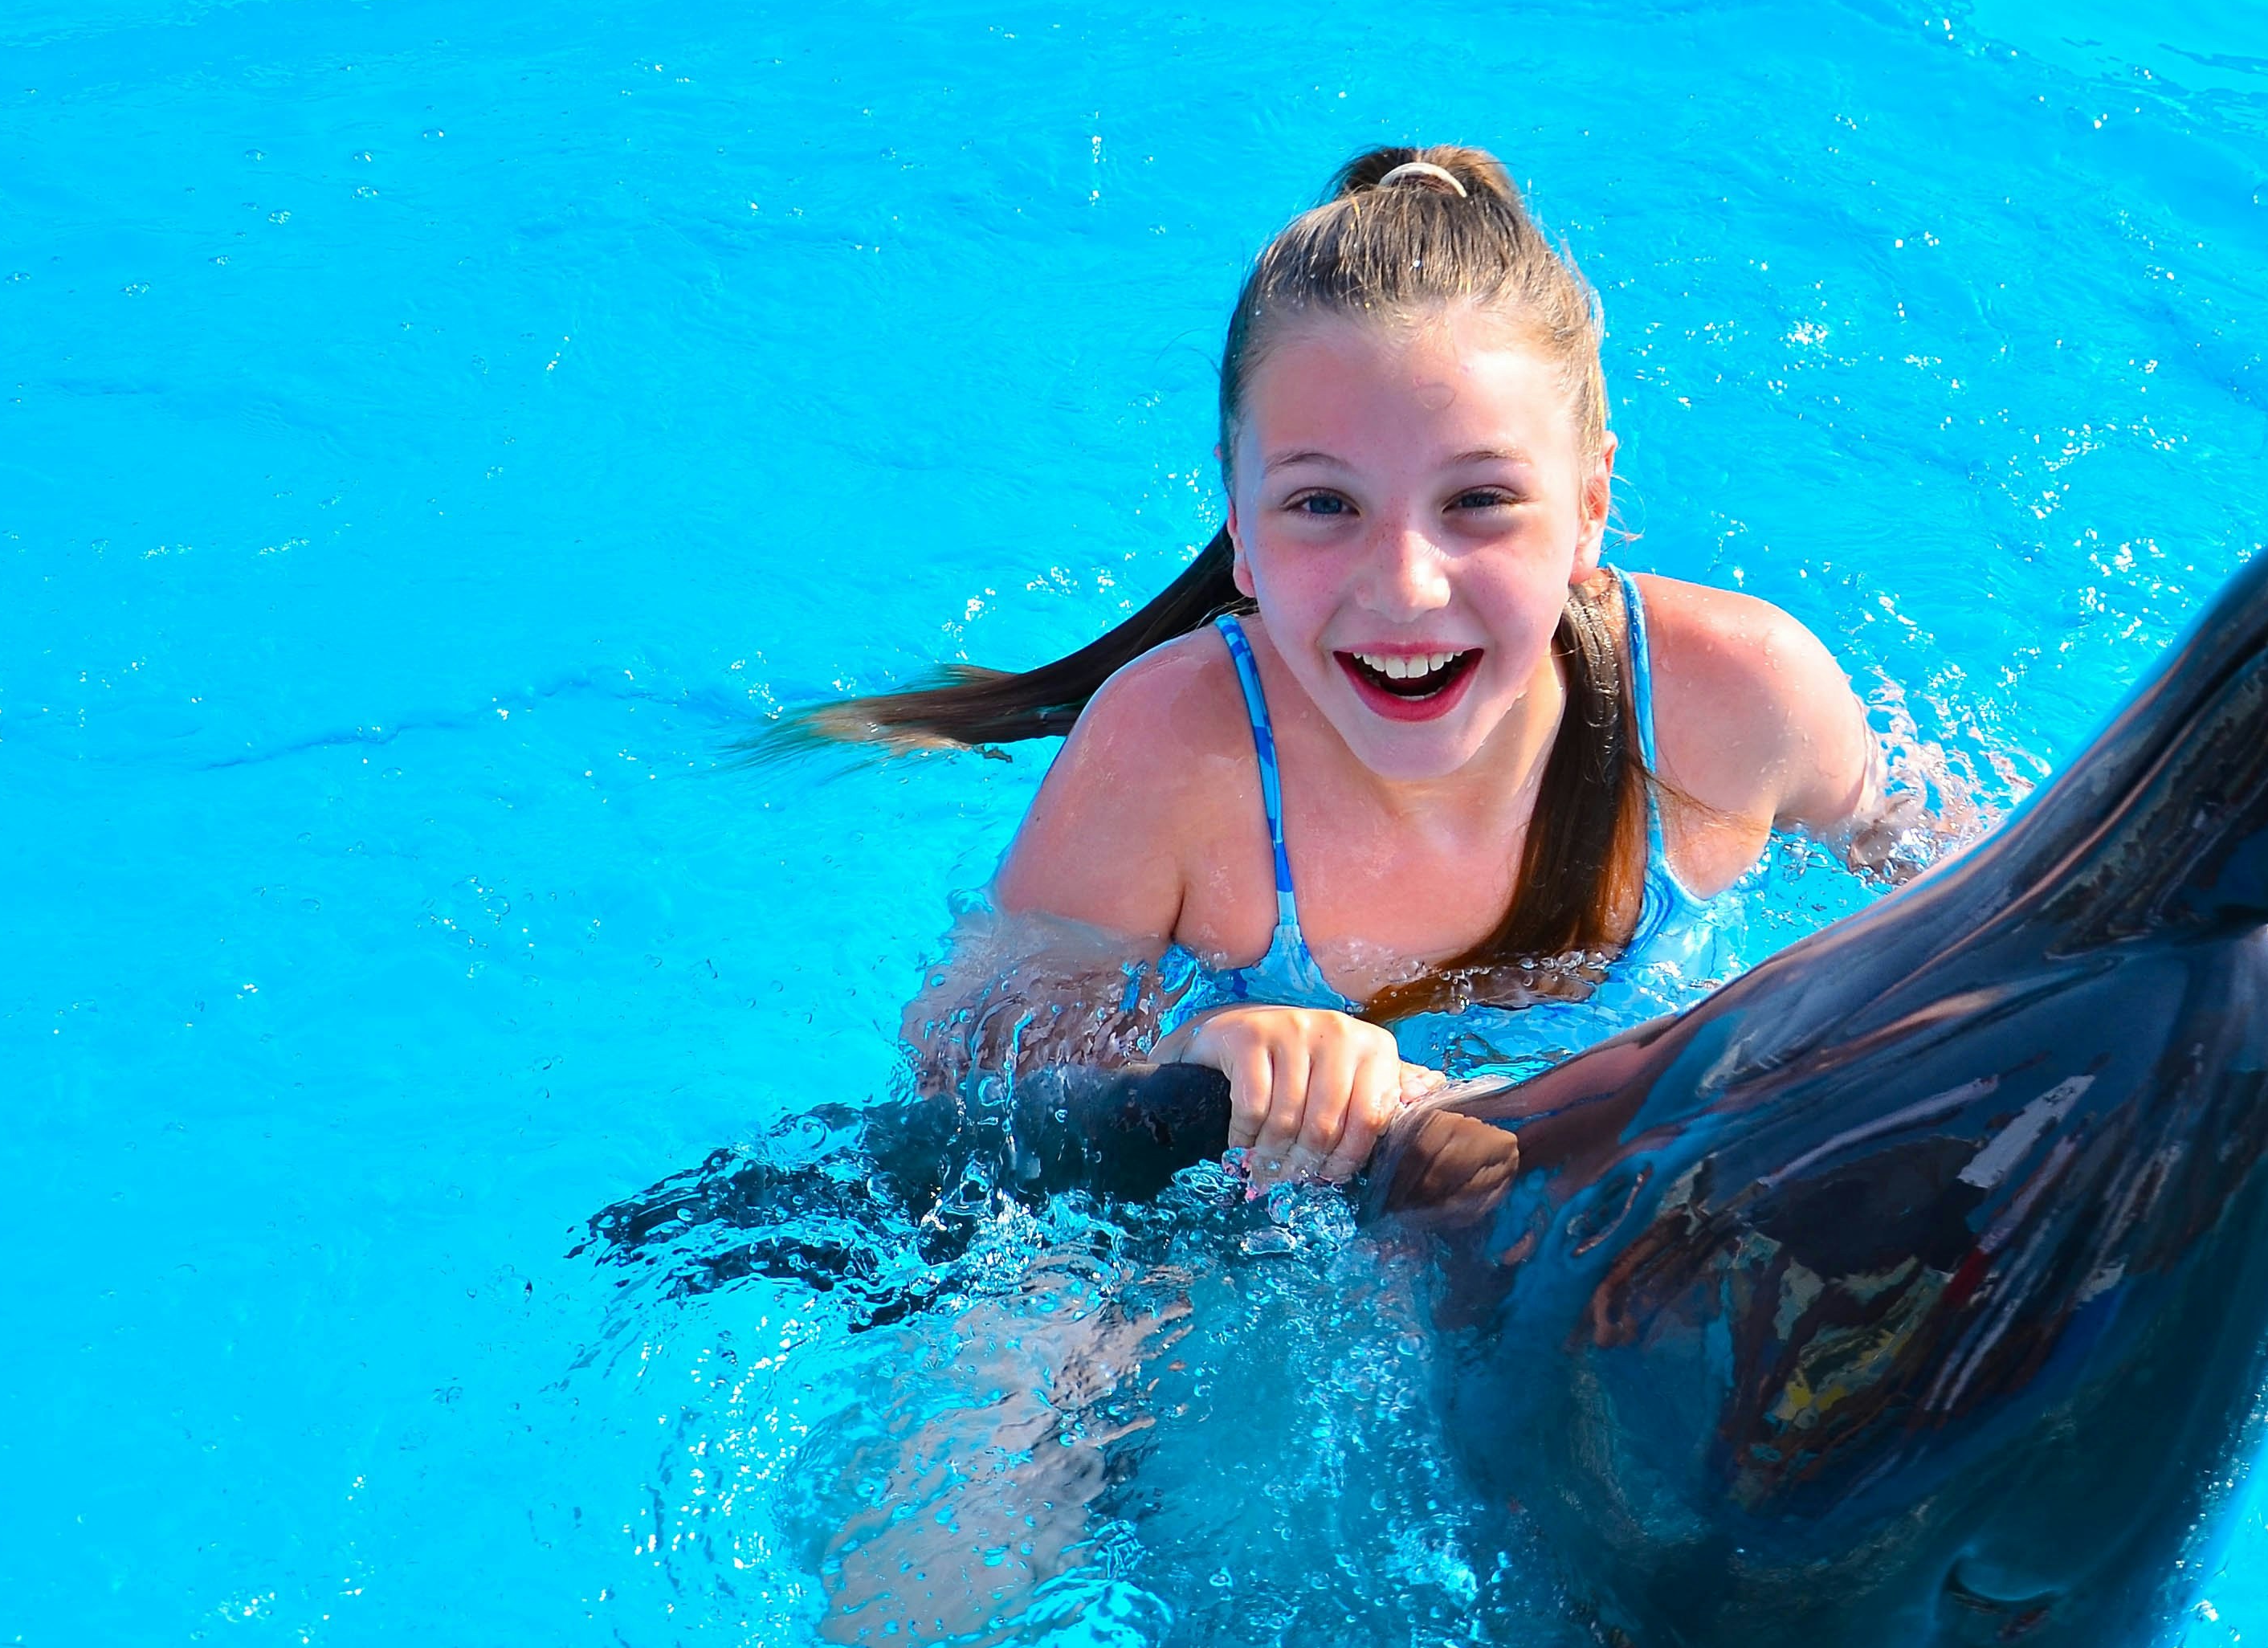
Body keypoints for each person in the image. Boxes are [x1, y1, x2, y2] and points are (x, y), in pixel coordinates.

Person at [789, 144, 1944, 1185]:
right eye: (1323, 503)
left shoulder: (1736, 700)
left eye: (1479, 501)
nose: (1404, 585)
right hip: (1243, 1221)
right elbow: (964, 1057)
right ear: (1237, 516)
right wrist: (1187, 1059)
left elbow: (1929, 866)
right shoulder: (1178, 754)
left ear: (1592, 504)